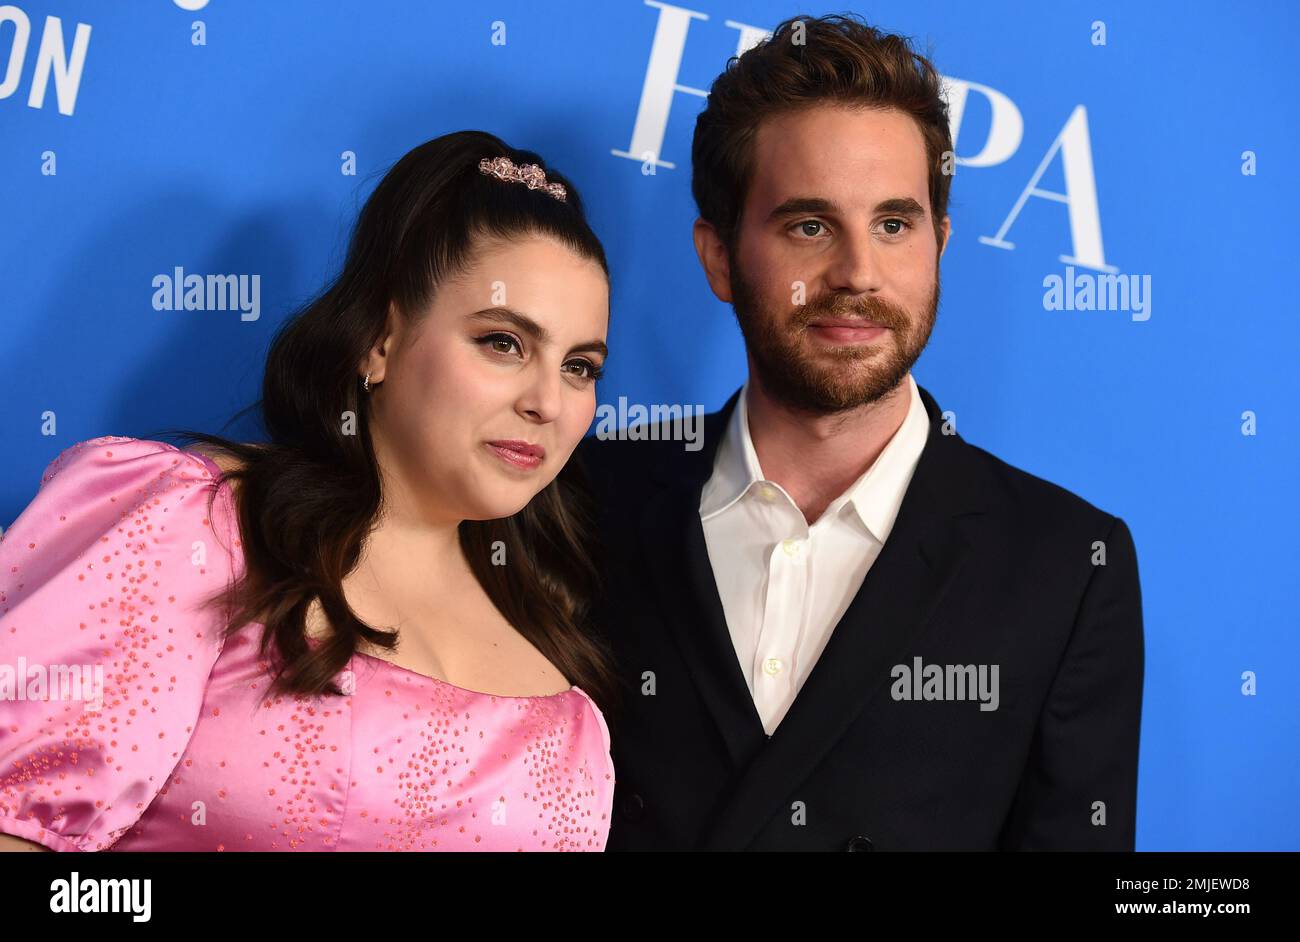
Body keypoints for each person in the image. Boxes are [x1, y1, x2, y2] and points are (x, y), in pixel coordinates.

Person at [575, 14, 1144, 851]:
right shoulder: (583, 499)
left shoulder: (1067, 567)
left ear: (940, 245)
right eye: (809, 225)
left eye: (894, 225)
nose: (858, 275)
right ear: (720, 257)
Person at [0, 131, 618, 852]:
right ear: (380, 342)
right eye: (504, 343)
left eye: (580, 366)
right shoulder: (194, 526)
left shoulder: (558, 630)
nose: (548, 400)